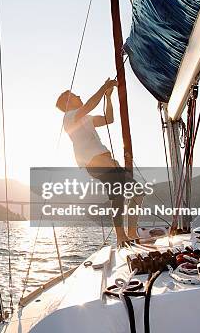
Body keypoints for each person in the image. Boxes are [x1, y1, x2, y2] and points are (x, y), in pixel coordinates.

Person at [57, 79, 141, 245]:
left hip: (107, 161)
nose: (79, 95)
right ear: (67, 103)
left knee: (138, 193)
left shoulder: (85, 118)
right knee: (118, 195)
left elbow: (109, 119)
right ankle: (121, 236)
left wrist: (108, 97)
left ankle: (130, 231)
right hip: (96, 163)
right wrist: (103, 87)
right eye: (74, 95)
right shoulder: (69, 118)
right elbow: (88, 105)